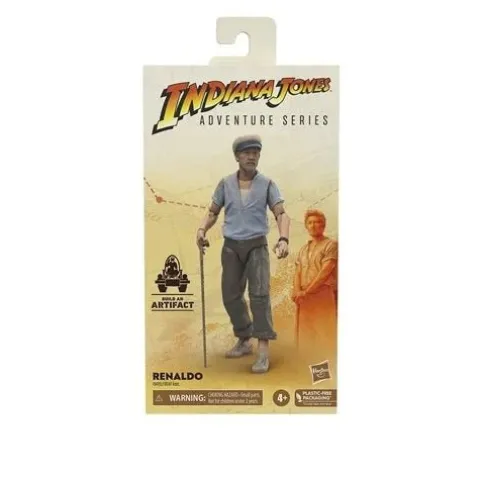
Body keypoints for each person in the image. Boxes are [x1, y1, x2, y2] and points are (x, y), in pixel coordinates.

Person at [196, 135, 290, 373]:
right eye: (246, 153)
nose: (251, 157)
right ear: (237, 156)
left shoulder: (267, 184)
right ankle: (244, 338)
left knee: (259, 295)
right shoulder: (225, 184)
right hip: (231, 247)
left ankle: (263, 351)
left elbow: (280, 213)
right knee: (230, 295)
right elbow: (213, 212)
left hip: (256, 246)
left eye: (255, 153)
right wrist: (201, 229)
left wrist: (283, 238)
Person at [292, 209, 338, 360]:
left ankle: (325, 370)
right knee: (305, 337)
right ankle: (306, 369)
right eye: (310, 222)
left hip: (322, 295)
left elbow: (325, 272)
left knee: (324, 334)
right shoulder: (303, 249)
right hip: (304, 298)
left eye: (317, 222)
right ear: (306, 226)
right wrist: (297, 291)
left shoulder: (331, 245)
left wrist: (307, 292)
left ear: (323, 225)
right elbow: (298, 272)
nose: (313, 225)